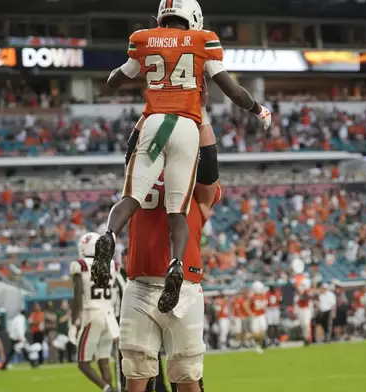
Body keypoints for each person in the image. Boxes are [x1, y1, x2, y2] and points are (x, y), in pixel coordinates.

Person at [92, 0, 272, 316]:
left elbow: (115, 80)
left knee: (131, 196)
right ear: (193, 18)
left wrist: (123, 74)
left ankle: (108, 236)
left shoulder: (143, 38)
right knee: (178, 210)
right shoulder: (203, 41)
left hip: (154, 123)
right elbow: (232, 90)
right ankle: (176, 264)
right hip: (188, 127)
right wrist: (257, 109)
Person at [118, 115, 221, 391]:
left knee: (173, 377)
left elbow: (130, 152)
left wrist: (154, 109)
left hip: (165, 286)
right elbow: (209, 165)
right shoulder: (191, 187)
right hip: (163, 284)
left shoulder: (138, 180)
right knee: (173, 376)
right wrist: (196, 113)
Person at [68, 232, 119, 392]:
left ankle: (107, 389)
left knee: (83, 363)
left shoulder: (80, 265)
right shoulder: (113, 265)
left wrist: (74, 323)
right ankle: (110, 387)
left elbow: (78, 297)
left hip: (92, 313)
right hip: (110, 316)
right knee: (103, 361)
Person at [247, 281, 268, 353]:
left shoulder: (263, 295)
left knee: (263, 332)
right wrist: (251, 313)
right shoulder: (253, 297)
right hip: (255, 317)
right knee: (256, 333)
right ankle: (256, 345)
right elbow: (246, 305)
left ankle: (258, 344)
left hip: (262, 315)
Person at [295, 279, 313, 346]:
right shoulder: (300, 292)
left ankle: (307, 338)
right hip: (300, 309)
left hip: (306, 309)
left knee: (306, 324)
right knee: (302, 325)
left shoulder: (307, 291)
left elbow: (305, 298)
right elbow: (297, 302)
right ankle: (305, 338)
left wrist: (301, 293)